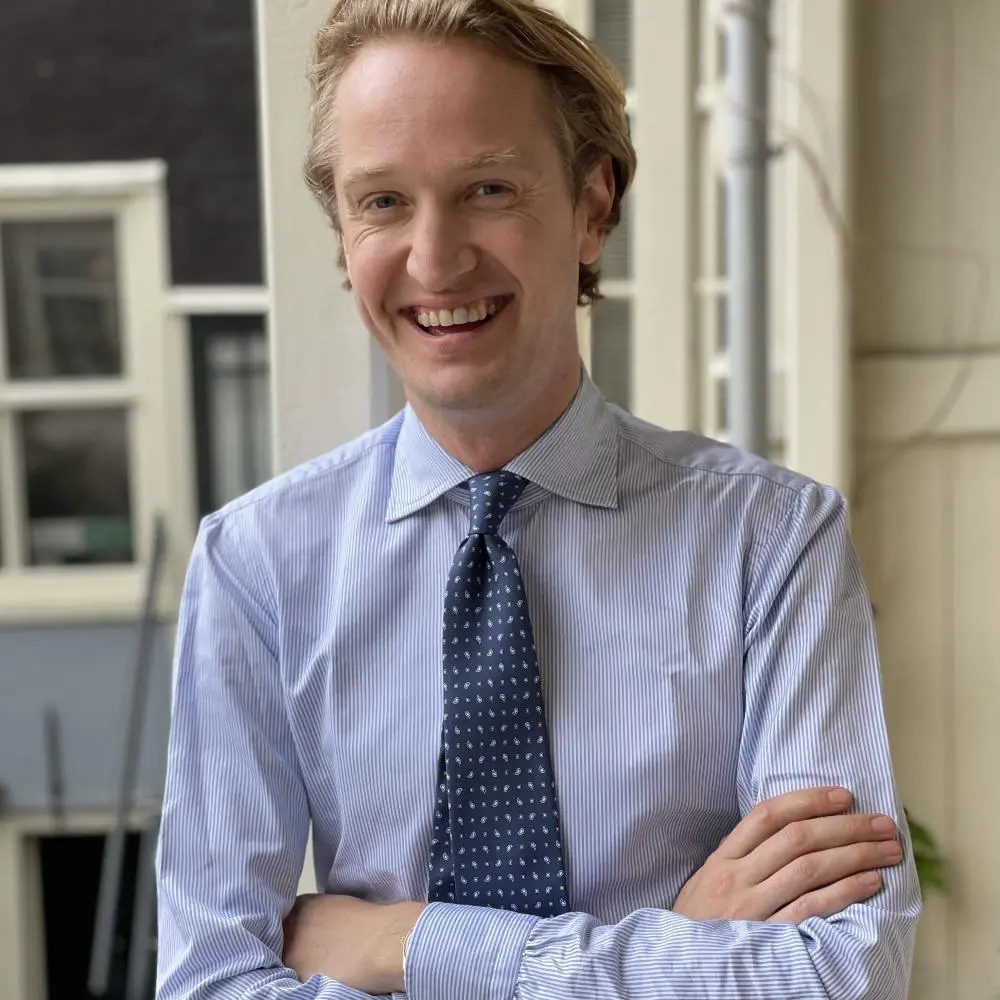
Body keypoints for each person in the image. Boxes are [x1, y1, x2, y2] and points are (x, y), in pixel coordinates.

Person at [155, 1, 921, 998]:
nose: (435, 259)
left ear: (593, 205)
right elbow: (211, 984)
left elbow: (839, 976)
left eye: (487, 189)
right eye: (382, 201)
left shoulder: (770, 544)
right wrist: (670, 942)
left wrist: (407, 943)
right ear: (343, 233)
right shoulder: (255, 567)